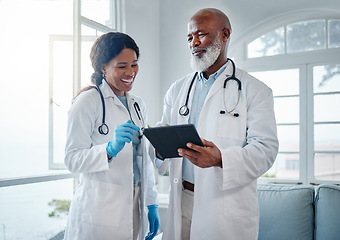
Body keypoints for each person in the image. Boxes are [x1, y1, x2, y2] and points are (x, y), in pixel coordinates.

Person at [154, 8, 279, 240]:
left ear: (225, 35)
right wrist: (159, 147)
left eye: (202, 34)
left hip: (223, 205)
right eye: (190, 37)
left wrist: (221, 158)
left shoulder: (255, 90)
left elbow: (266, 149)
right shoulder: (178, 89)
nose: (194, 43)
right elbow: (164, 133)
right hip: (181, 199)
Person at [64, 32, 160, 240]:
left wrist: (152, 202)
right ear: (103, 68)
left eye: (134, 64)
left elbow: (142, 160)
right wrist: (108, 150)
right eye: (122, 66)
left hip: (135, 202)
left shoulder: (137, 105)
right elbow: (72, 159)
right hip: (100, 208)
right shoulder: (87, 102)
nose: (130, 72)